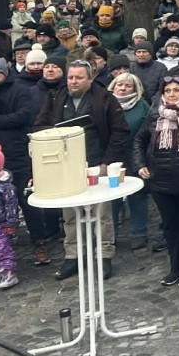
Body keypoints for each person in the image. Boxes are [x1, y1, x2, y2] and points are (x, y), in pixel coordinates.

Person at [38, 58, 128, 280]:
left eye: (79, 77)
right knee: (70, 214)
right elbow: (40, 126)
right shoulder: (56, 97)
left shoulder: (105, 98)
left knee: (102, 214)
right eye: (70, 77)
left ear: (91, 78)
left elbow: (120, 131)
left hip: (98, 163)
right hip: (67, 166)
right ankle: (73, 256)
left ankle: (104, 255)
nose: (73, 81)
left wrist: (108, 162)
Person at [134, 74, 179, 286]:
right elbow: (139, 140)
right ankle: (174, 268)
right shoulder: (155, 113)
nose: (172, 94)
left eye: (176, 90)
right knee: (170, 227)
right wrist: (140, 164)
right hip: (161, 180)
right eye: (167, 91)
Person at [0, 56, 48, 269]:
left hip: (17, 154)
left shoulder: (20, 90)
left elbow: (23, 117)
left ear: (4, 73)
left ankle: (39, 242)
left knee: (27, 200)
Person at [109, 73, 152, 251]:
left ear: (135, 89)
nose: (123, 88)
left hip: (135, 157)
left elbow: (148, 132)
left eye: (128, 86)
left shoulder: (142, 106)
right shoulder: (106, 104)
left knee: (138, 195)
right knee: (112, 198)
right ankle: (109, 235)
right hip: (113, 159)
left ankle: (139, 232)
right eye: (120, 85)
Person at [0, 143, 20, 289]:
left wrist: (11, 223)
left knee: (1, 248)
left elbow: (11, 205)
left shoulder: (5, 187)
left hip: (0, 223)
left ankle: (9, 272)